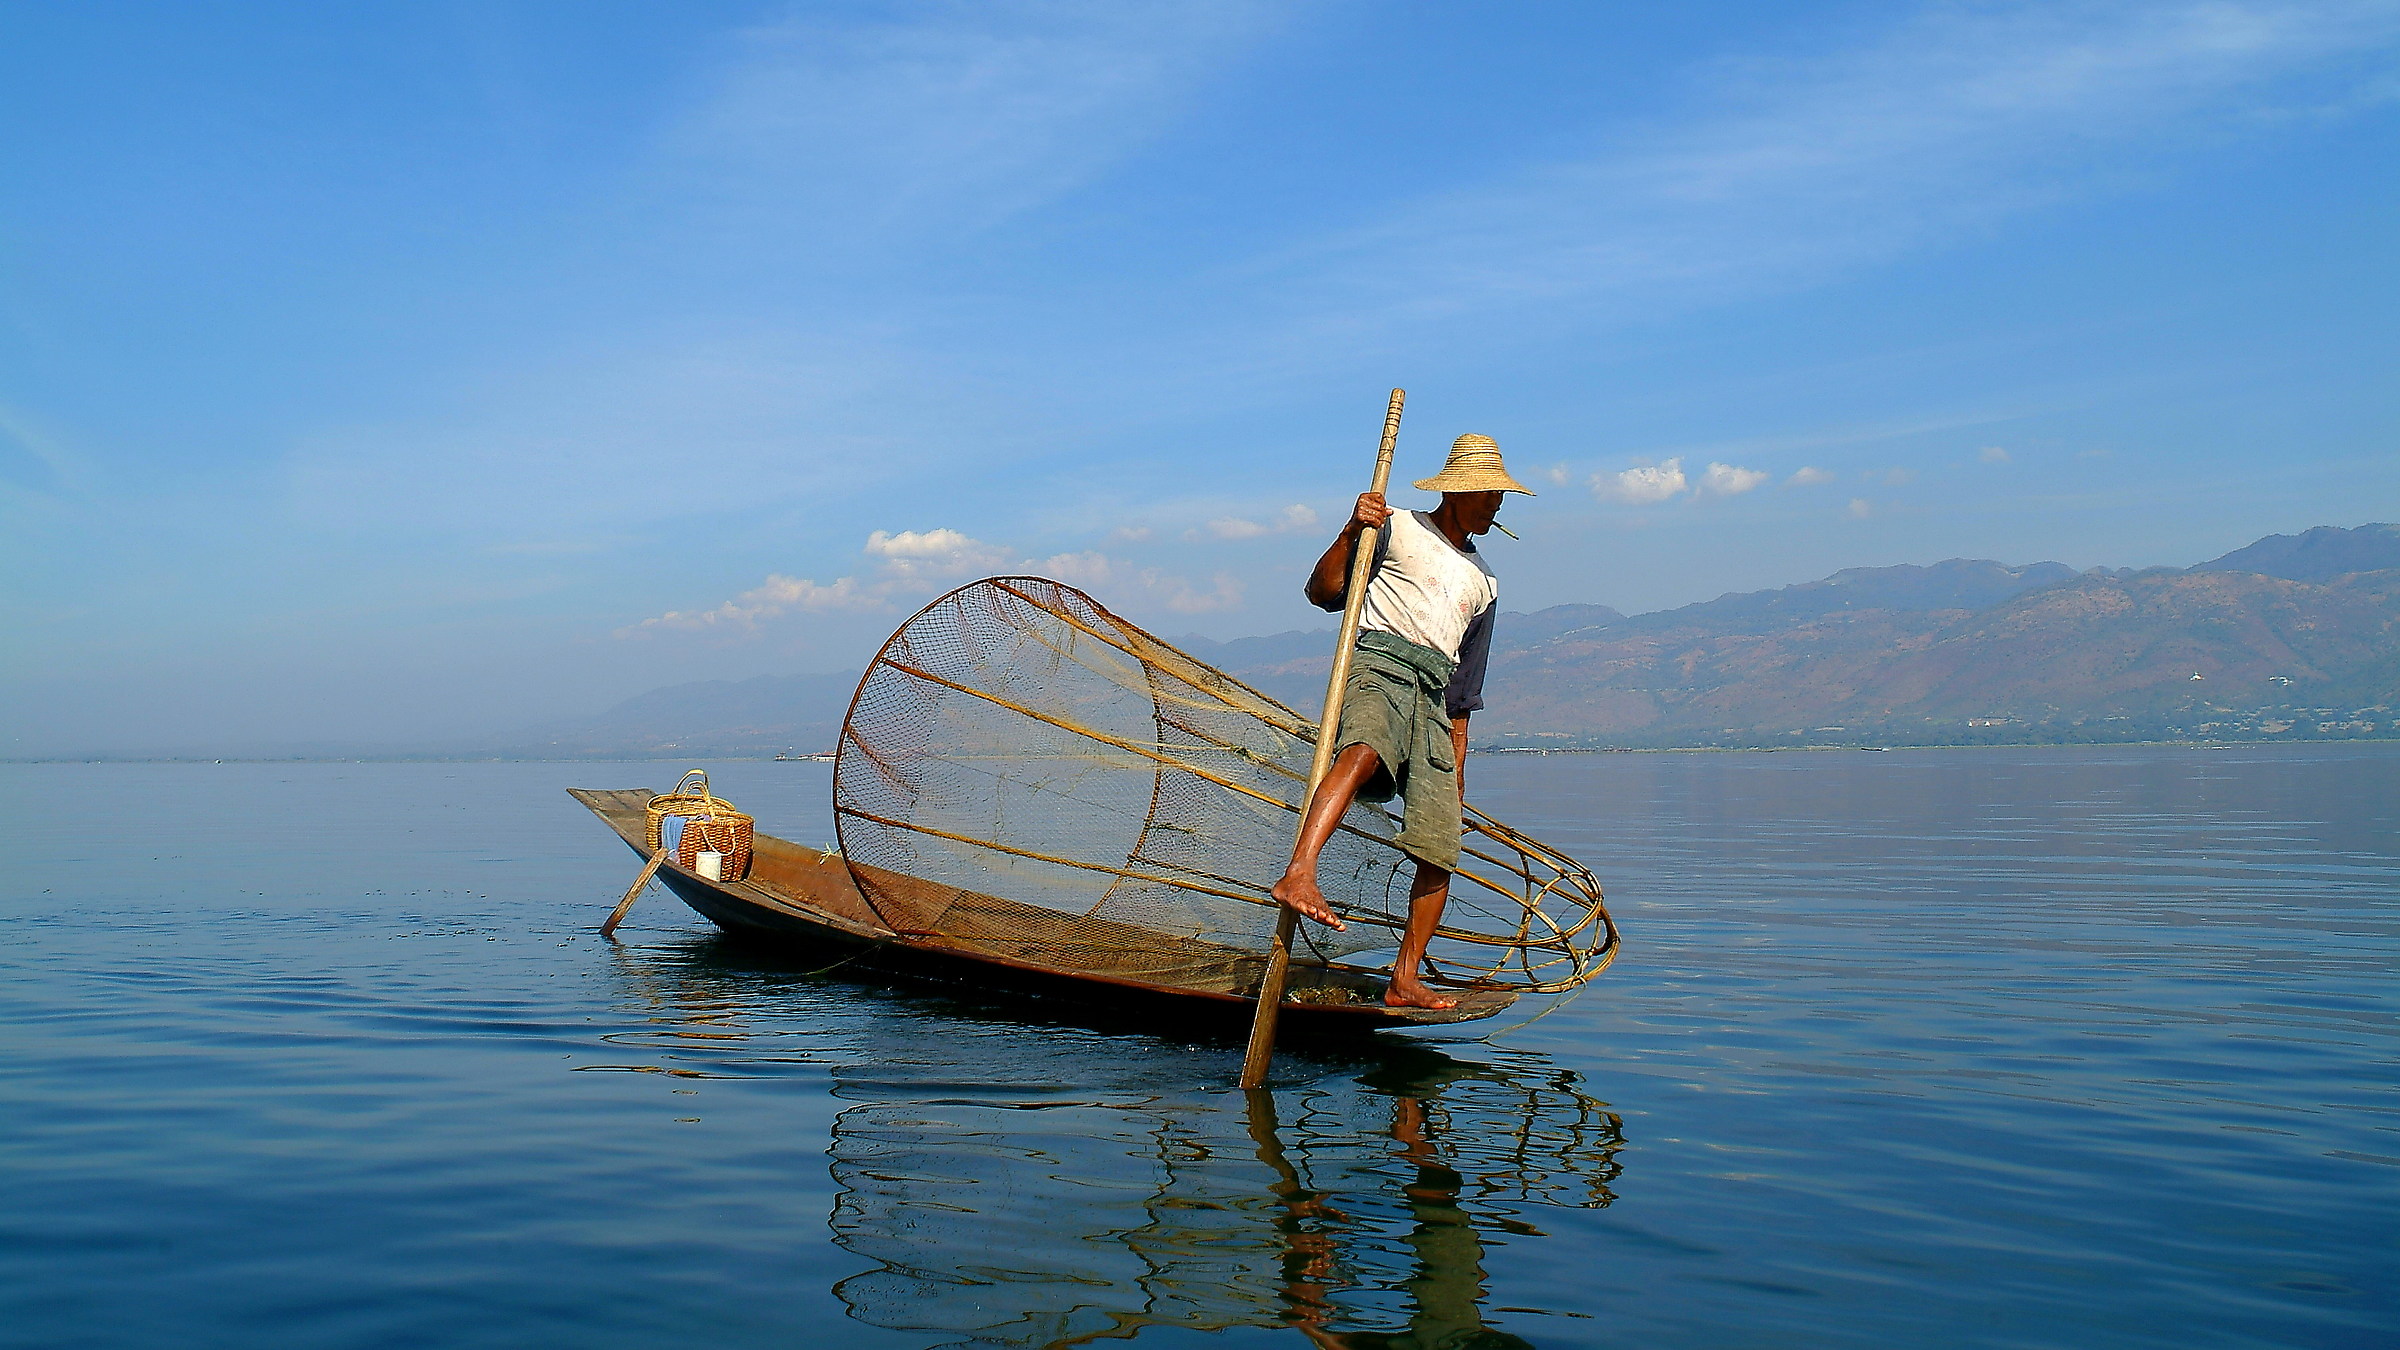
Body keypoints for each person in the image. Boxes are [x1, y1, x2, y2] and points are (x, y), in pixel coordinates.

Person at [1269, 433, 1534, 1009]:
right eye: (1490, 495)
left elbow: (1464, 693)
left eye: (1500, 498)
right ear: (1461, 492)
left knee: (1440, 845)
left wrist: (1457, 773)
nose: (1497, 506)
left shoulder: (1484, 583)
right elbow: (1324, 591)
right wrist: (1350, 530)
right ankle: (1300, 872)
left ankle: (1405, 978)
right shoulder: (1399, 526)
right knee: (1362, 752)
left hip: (1434, 694)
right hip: (1382, 663)